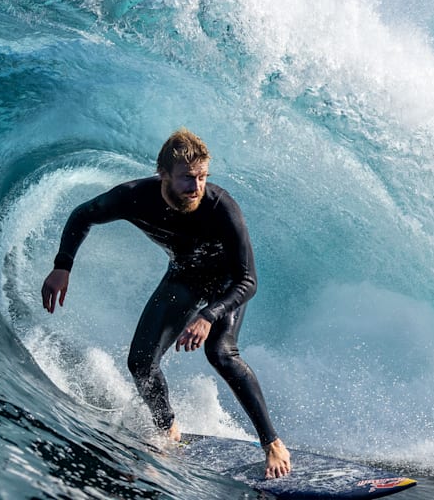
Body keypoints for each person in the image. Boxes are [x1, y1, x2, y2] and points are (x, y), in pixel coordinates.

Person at [40, 128, 292, 479]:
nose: (196, 187)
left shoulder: (222, 208)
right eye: (188, 178)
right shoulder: (133, 197)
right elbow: (83, 215)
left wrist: (209, 315)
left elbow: (247, 281)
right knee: (141, 363)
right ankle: (168, 429)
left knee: (220, 353)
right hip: (185, 277)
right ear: (163, 174)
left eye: (203, 177)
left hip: (225, 287)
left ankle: (273, 443)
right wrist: (62, 266)